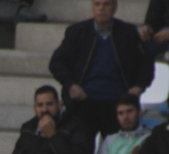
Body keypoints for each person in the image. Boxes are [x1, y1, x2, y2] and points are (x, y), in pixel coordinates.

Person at [49, 0, 153, 138]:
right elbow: (56, 62)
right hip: (84, 101)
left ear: (115, 7)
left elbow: (147, 62)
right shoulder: (76, 32)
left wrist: (139, 86)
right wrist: (71, 85)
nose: (101, 9)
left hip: (117, 101)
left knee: (114, 151)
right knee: (80, 150)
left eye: (106, 4)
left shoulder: (128, 32)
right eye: (97, 4)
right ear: (92, 7)